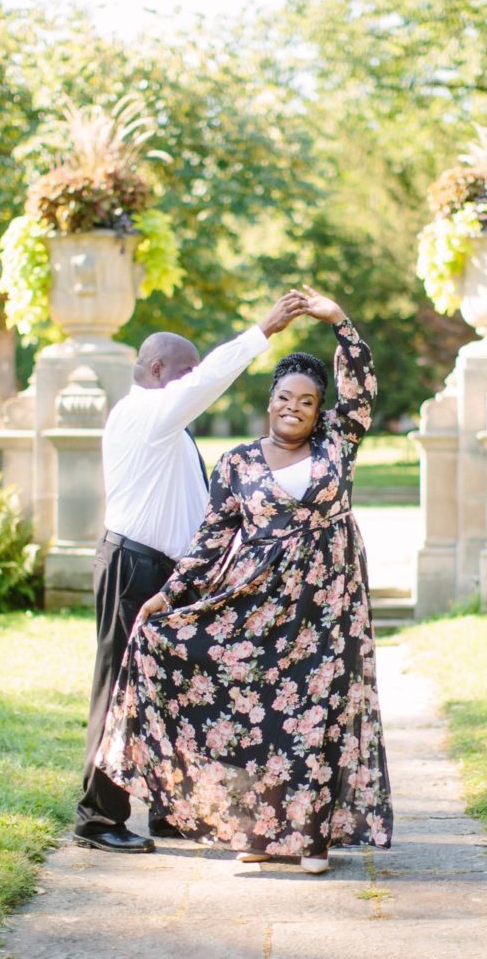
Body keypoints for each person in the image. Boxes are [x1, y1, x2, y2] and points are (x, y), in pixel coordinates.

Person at [96, 288, 393, 875]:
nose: (294, 408)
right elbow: (210, 542)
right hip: (255, 604)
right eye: (284, 397)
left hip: (327, 604)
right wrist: (166, 596)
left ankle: (311, 839)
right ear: (269, 401)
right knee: (261, 714)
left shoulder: (338, 442)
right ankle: (259, 831)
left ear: (321, 411)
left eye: (307, 401)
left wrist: (339, 321)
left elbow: (360, 388)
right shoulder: (237, 463)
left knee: (316, 713)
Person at [74, 290, 311, 854]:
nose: (193, 383)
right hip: (132, 567)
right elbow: (207, 383)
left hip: (169, 576)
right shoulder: (143, 414)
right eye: (185, 373)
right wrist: (262, 331)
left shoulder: (169, 426)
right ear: (158, 370)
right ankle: (97, 817)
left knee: (173, 692)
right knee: (120, 691)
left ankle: (169, 810)